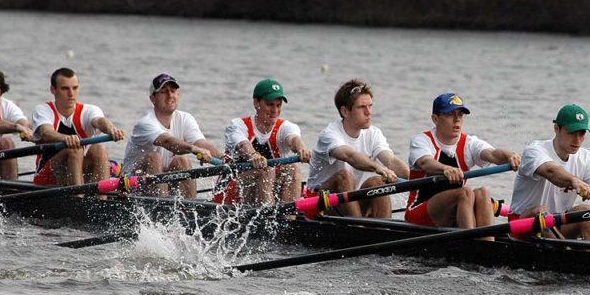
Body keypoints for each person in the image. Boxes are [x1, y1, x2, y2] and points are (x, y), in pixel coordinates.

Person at [405, 92, 520, 232]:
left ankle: (487, 243)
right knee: (465, 193)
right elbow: (425, 162)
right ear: (435, 119)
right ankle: (473, 243)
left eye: (460, 114)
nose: (457, 120)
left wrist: (510, 156)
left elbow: (493, 155)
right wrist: (445, 169)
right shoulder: (422, 140)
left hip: (454, 212)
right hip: (418, 213)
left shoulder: (469, 143)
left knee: (483, 192)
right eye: (450, 114)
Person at [509, 104, 590, 241]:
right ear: (557, 128)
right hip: (522, 225)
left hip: (557, 224)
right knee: (540, 211)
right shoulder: (535, 150)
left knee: (586, 211)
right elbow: (551, 171)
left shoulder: (586, 158)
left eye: (582, 133)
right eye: (572, 133)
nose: (577, 140)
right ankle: (566, 254)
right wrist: (575, 181)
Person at [305, 79, 409, 217]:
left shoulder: (374, 133)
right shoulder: (329, 134)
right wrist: (377, 167)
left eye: (370, 106)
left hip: (346, 202)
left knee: (376, 182)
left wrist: (416, 176)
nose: (369, 112)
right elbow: (350, 156)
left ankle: (384, 229)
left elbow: (390, 161)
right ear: (345, 112)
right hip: (318, 204)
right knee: (344, 176)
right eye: (362, 107)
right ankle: (359, 228)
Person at [213, 78, 311, 204]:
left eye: (278, 105)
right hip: (231, 192)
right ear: (256, 103)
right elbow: (243, 144)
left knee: (293, 168)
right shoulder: (238, 125)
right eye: (270, 104)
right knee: (265, 169)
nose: (275, 110)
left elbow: (294, 139)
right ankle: (268, 219)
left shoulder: (286, 127)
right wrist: (253, 155)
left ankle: (289, 217)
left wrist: (302, 149)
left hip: (266, 189)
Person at [123, 73, 221, 197]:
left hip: (162, 183)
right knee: (154, 157)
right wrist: (194, 149)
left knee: (182, 160)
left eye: (173, 91)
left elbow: (201, 144)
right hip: (131, 186)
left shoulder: (185, 118)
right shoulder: (145, 123)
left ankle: (190, 210)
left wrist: (228, 159)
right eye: (163, 92)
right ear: (153, 98)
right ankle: (161, 208)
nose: (170, 95)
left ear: (178, 94)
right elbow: (167, 142)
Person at [30, 68, 125, 186]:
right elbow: (46, 132)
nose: (71, 94)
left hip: (79, 171)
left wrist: (111, 129)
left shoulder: (89, 110)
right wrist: (65, 138)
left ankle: (101, 199)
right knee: (75, 149)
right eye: (65, 88)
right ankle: (78, 198)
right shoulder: (43, 110)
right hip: (47, 176)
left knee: (99, 148)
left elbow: (100, 121)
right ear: (52, 90)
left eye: (75, 88)